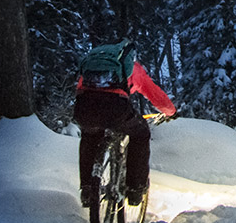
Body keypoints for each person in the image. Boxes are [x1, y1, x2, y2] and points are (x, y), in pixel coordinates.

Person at [74, 40, 176, 207]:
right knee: (140, 133)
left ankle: (87, 189)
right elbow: (155, 95)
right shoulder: (133, 69)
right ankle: (136, 189)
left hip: (84, 108)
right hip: (115, 109)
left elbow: (80, 89)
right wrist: (171, 112)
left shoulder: (91, 68)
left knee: (90, 136)